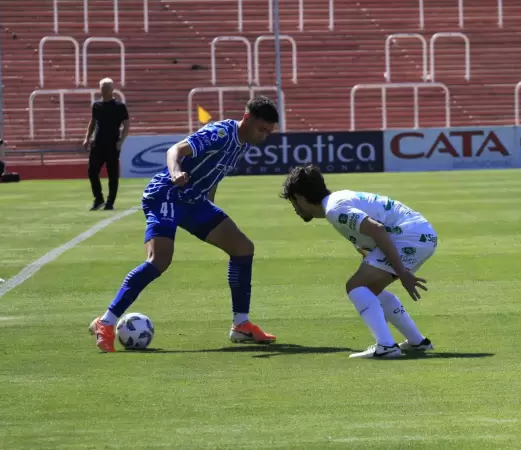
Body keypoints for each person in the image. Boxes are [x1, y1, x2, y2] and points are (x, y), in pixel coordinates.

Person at [89, 96, 279, 352]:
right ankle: (106, 321)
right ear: (247, 118)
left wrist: (211, 206)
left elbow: (214, 175)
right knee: (159, 261)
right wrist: (175, 172)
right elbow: (175, 150)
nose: (264, 136)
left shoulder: (243, 145)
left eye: (269, 132)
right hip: (167, 193)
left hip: (194, 202)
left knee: (243, 248)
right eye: (262, 129)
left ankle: (241, 325)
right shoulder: (221, 132)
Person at [280, 165, 436, 359]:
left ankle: (386, 347)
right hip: (418, 234)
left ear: (300, 198)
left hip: (409, 236)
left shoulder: (334, 209)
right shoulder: (338, 200)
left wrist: (402, 272)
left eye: (293, 202)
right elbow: (367, 238)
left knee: (355, 286)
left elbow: (377, 229)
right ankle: (417, 342)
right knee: (369, 289)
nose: (294, 209)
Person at [83, 77, 130, 210]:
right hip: (97, 144)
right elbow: (92, 122)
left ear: (111, 90)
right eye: (101, 87)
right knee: (92, 172)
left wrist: (121, 141)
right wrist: (87, 138)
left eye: (106, 88)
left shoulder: (120, 107)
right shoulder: (96, 105)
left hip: (112, 145)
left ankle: (110, 203)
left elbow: (126, 125)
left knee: (112, 175)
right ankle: (98, 199)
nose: (103, 90)